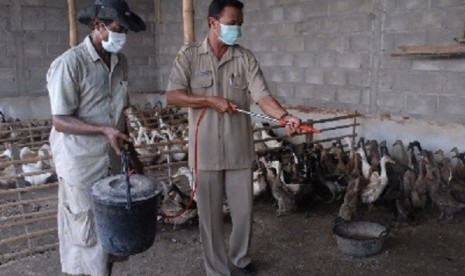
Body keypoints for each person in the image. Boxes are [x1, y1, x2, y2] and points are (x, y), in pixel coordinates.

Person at [166, 0, 303, 275]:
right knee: (210, 218)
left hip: (239, 151)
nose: (237, 30)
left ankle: (240, 258)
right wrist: (207, 99)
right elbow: (172, 96)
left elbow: (262, 96)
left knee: (243, 214)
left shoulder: (245, 58)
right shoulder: (190, 56)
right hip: (204, 153)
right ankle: (217, 269)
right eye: (231, 24)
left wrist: (284, 117)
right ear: (212, 23)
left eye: (240, 24)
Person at [46, 0, 145, 275]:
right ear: (98, 26)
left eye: (125, 30)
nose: (122, 35)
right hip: (81, 165)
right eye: (117, 28)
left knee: (111, 237)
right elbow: (60, 120)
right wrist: (103, 130)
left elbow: (118, 115)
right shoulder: (70, 64)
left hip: (111, 163)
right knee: (85, 238)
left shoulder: (119, 62)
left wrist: (132, 156)